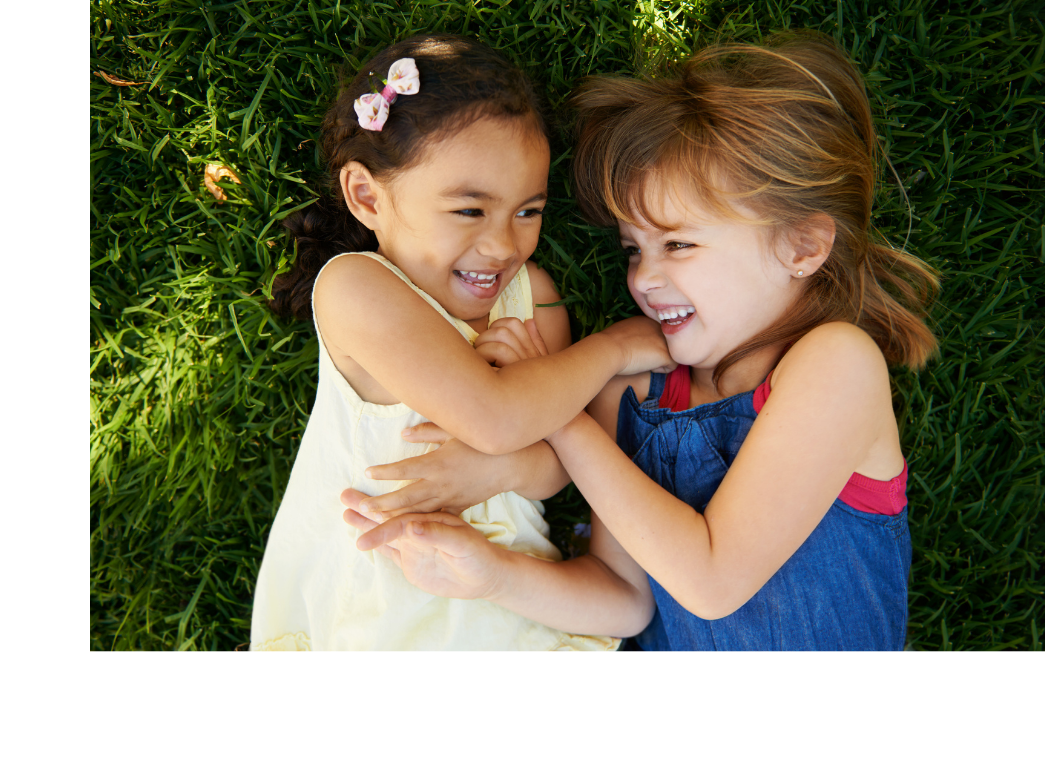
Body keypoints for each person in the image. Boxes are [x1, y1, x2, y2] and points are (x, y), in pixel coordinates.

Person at [345, 32, 940, 651]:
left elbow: (711, 581)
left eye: (678, 244)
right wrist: (493, 576)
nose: (645, 279)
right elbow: (621, 599)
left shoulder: (835, 364)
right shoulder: (629, 395)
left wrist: (563, 421)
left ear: (802, 246)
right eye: (633, 250)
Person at [250, 33, 671, 651]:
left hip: (510, 602)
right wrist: (611, 349)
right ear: (368, 196)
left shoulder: (533, 295)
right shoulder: (355, 288)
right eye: (471, 211)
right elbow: (499, 416)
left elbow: (563, 458)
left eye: (528, 211)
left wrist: (495, 471)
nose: (503, 245)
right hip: (383, 609)